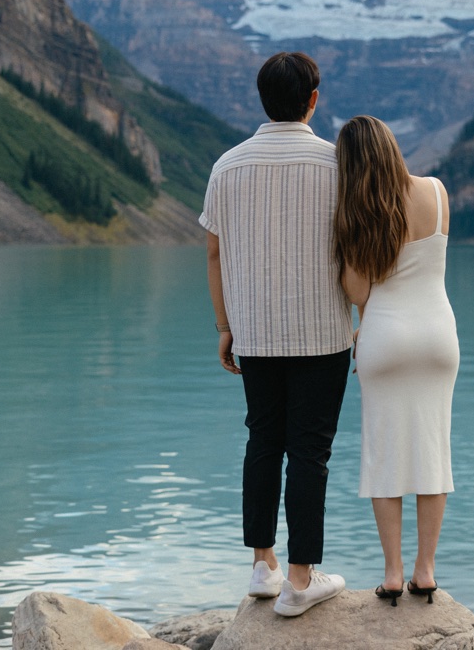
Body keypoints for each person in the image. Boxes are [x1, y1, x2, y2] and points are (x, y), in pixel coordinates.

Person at [200, 51, 351, 618]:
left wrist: (224, 326)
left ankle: (262, 567)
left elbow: (214, 250)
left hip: (255, 334)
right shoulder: (338, 164)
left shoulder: (228, 166)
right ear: (313, 100)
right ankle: (300, 579)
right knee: (309, 454)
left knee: (263, 440)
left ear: (262, 100)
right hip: (323, 333)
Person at [333, 115, 460, 607]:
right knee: (433, 449)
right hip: (437, 338)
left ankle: (392, 573)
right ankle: (426, 571)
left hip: (385, 339)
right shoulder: (436, 191)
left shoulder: (357, 214)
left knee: (384, 452)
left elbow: (359, 291)